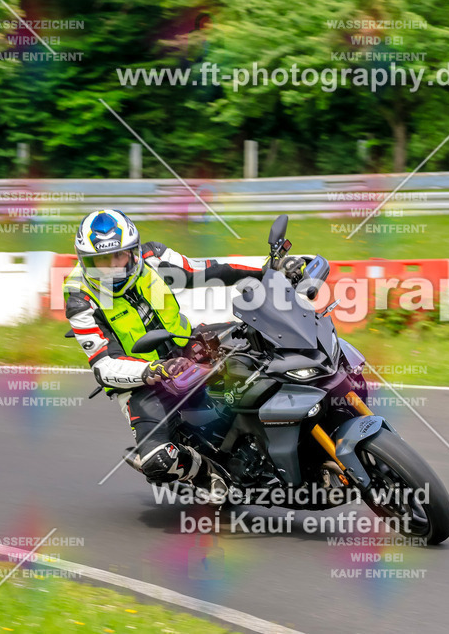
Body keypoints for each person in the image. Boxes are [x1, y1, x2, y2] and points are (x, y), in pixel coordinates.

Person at [63, 209, 296, 497]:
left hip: (188, 345)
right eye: (100, 262)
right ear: (84, 260)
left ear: (133, 252)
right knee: (156, 460)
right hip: (141, 384)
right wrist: (151, 371)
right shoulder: (79, 297)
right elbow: (103, 365)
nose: (111, 269)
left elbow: (208, 270)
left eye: (118, 257)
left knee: (262, 342)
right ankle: (208, 475)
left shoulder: (153, 259)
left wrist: (268, 273)